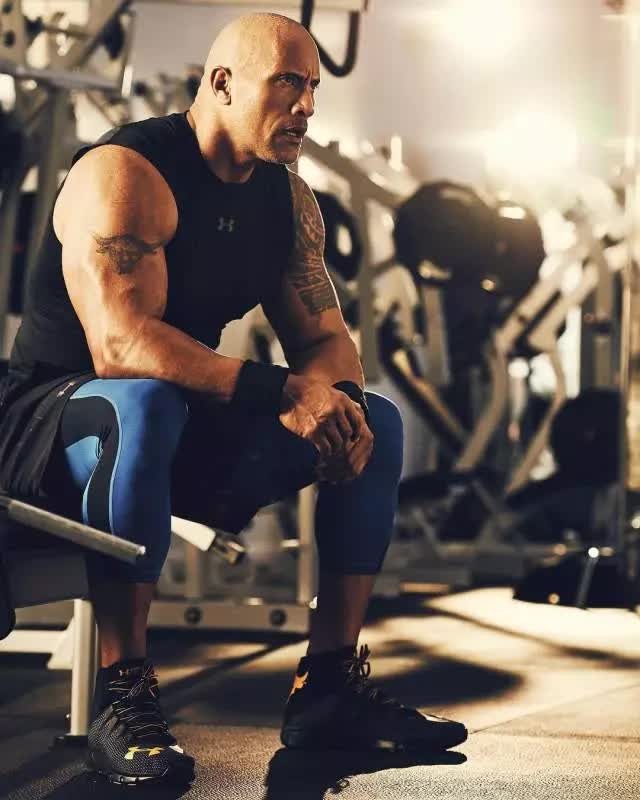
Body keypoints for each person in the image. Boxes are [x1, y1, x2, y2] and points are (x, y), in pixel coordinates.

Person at [0, 12, 467, 787]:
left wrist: (336, 405)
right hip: (51, 427)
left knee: (375, 420)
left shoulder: (288, 200)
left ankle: (328, 688)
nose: (306, 106)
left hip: (176, 420)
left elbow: (324, 339)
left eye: (312, 87)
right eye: (287, 83)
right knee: (144, 403)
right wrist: (281, 391)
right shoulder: (126, 172)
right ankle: (124, 697)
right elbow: (122, 347)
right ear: (222, 83)